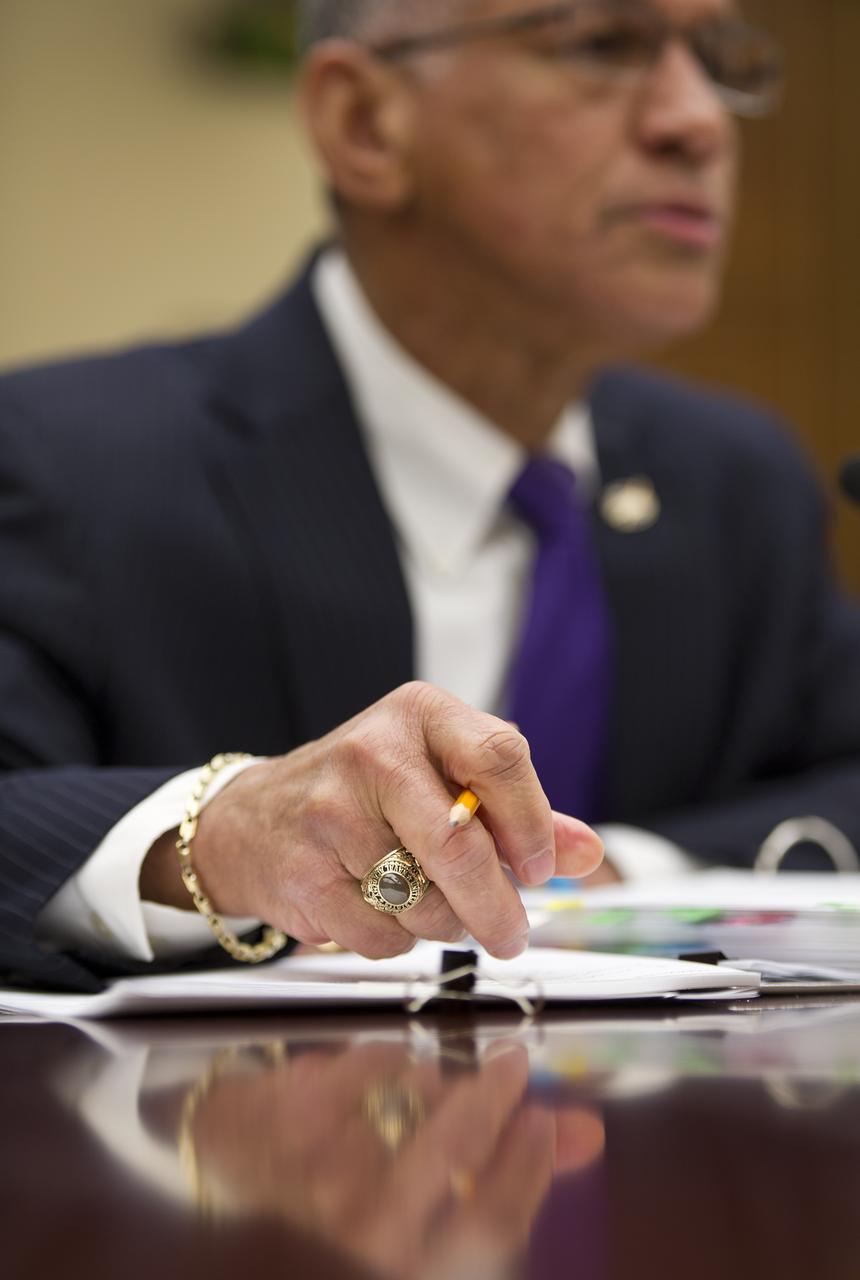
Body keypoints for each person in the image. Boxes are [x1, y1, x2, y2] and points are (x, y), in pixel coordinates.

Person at [2, 0, 859, 992]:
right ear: (366, 123)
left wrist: (611, 872)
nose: (697, 119)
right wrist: (223, 835)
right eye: (600, 46)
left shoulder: (732, 481)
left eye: (713, 58)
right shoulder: (65, 465)